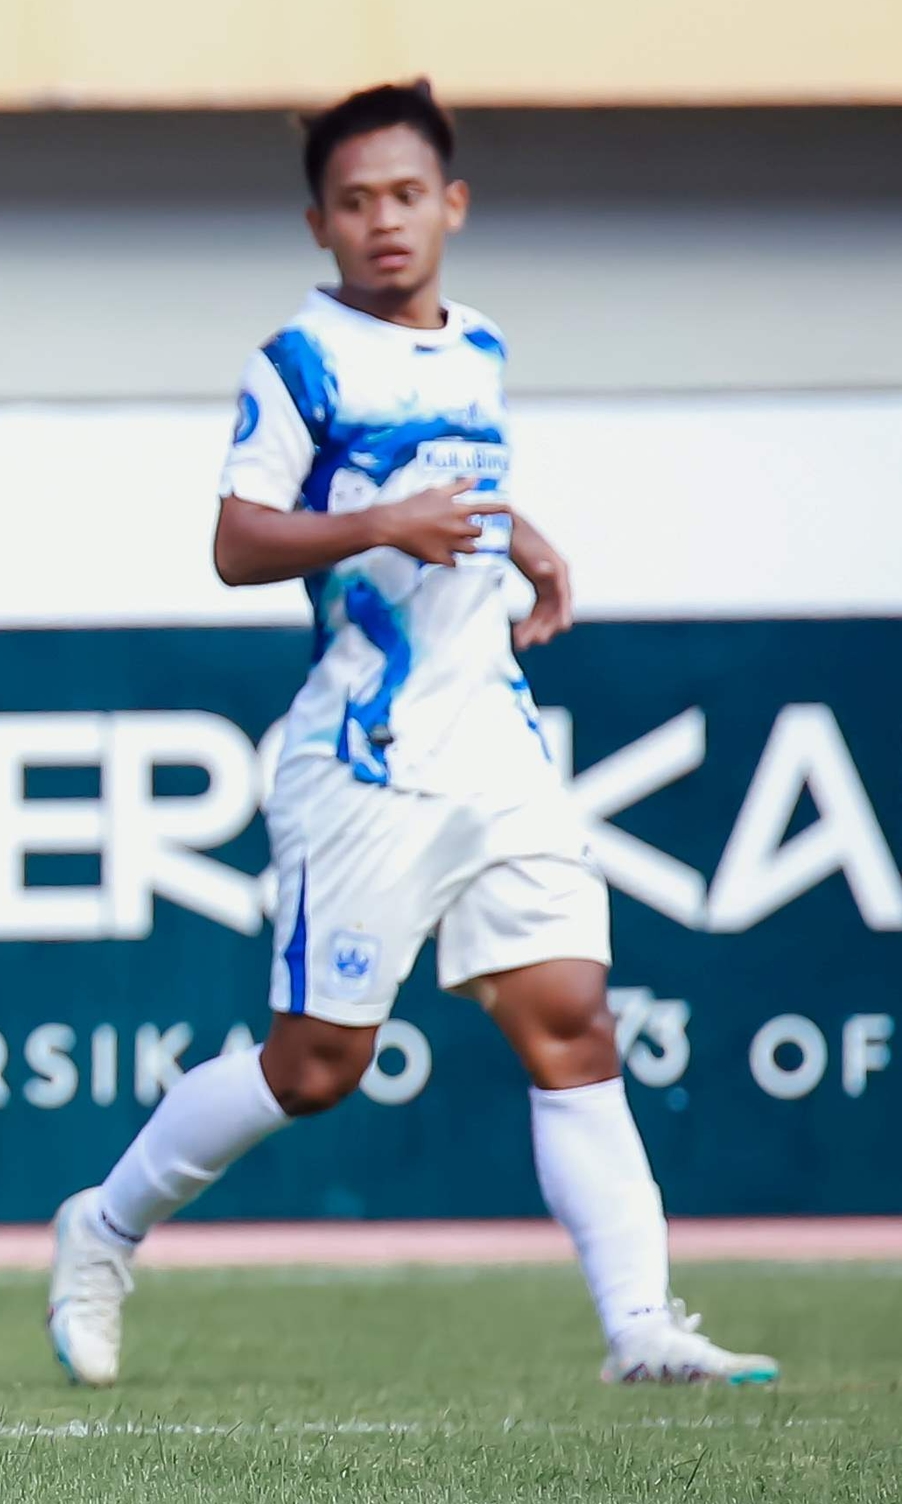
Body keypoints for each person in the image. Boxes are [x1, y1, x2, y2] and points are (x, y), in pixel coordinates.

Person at [43, 80, 772, 1391]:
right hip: (364, 760)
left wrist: (524, 538)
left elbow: (461, 488)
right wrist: (382, 528)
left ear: (454, 206)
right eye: (357, 202)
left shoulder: (477, 345)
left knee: (571, 1018)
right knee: (316, 1067)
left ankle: (640, 1325)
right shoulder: (299, 361)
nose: (386, 223)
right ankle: (101, 1228)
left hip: (492, 738)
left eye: (407, 196)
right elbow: (236, 543)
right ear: (318, 224)